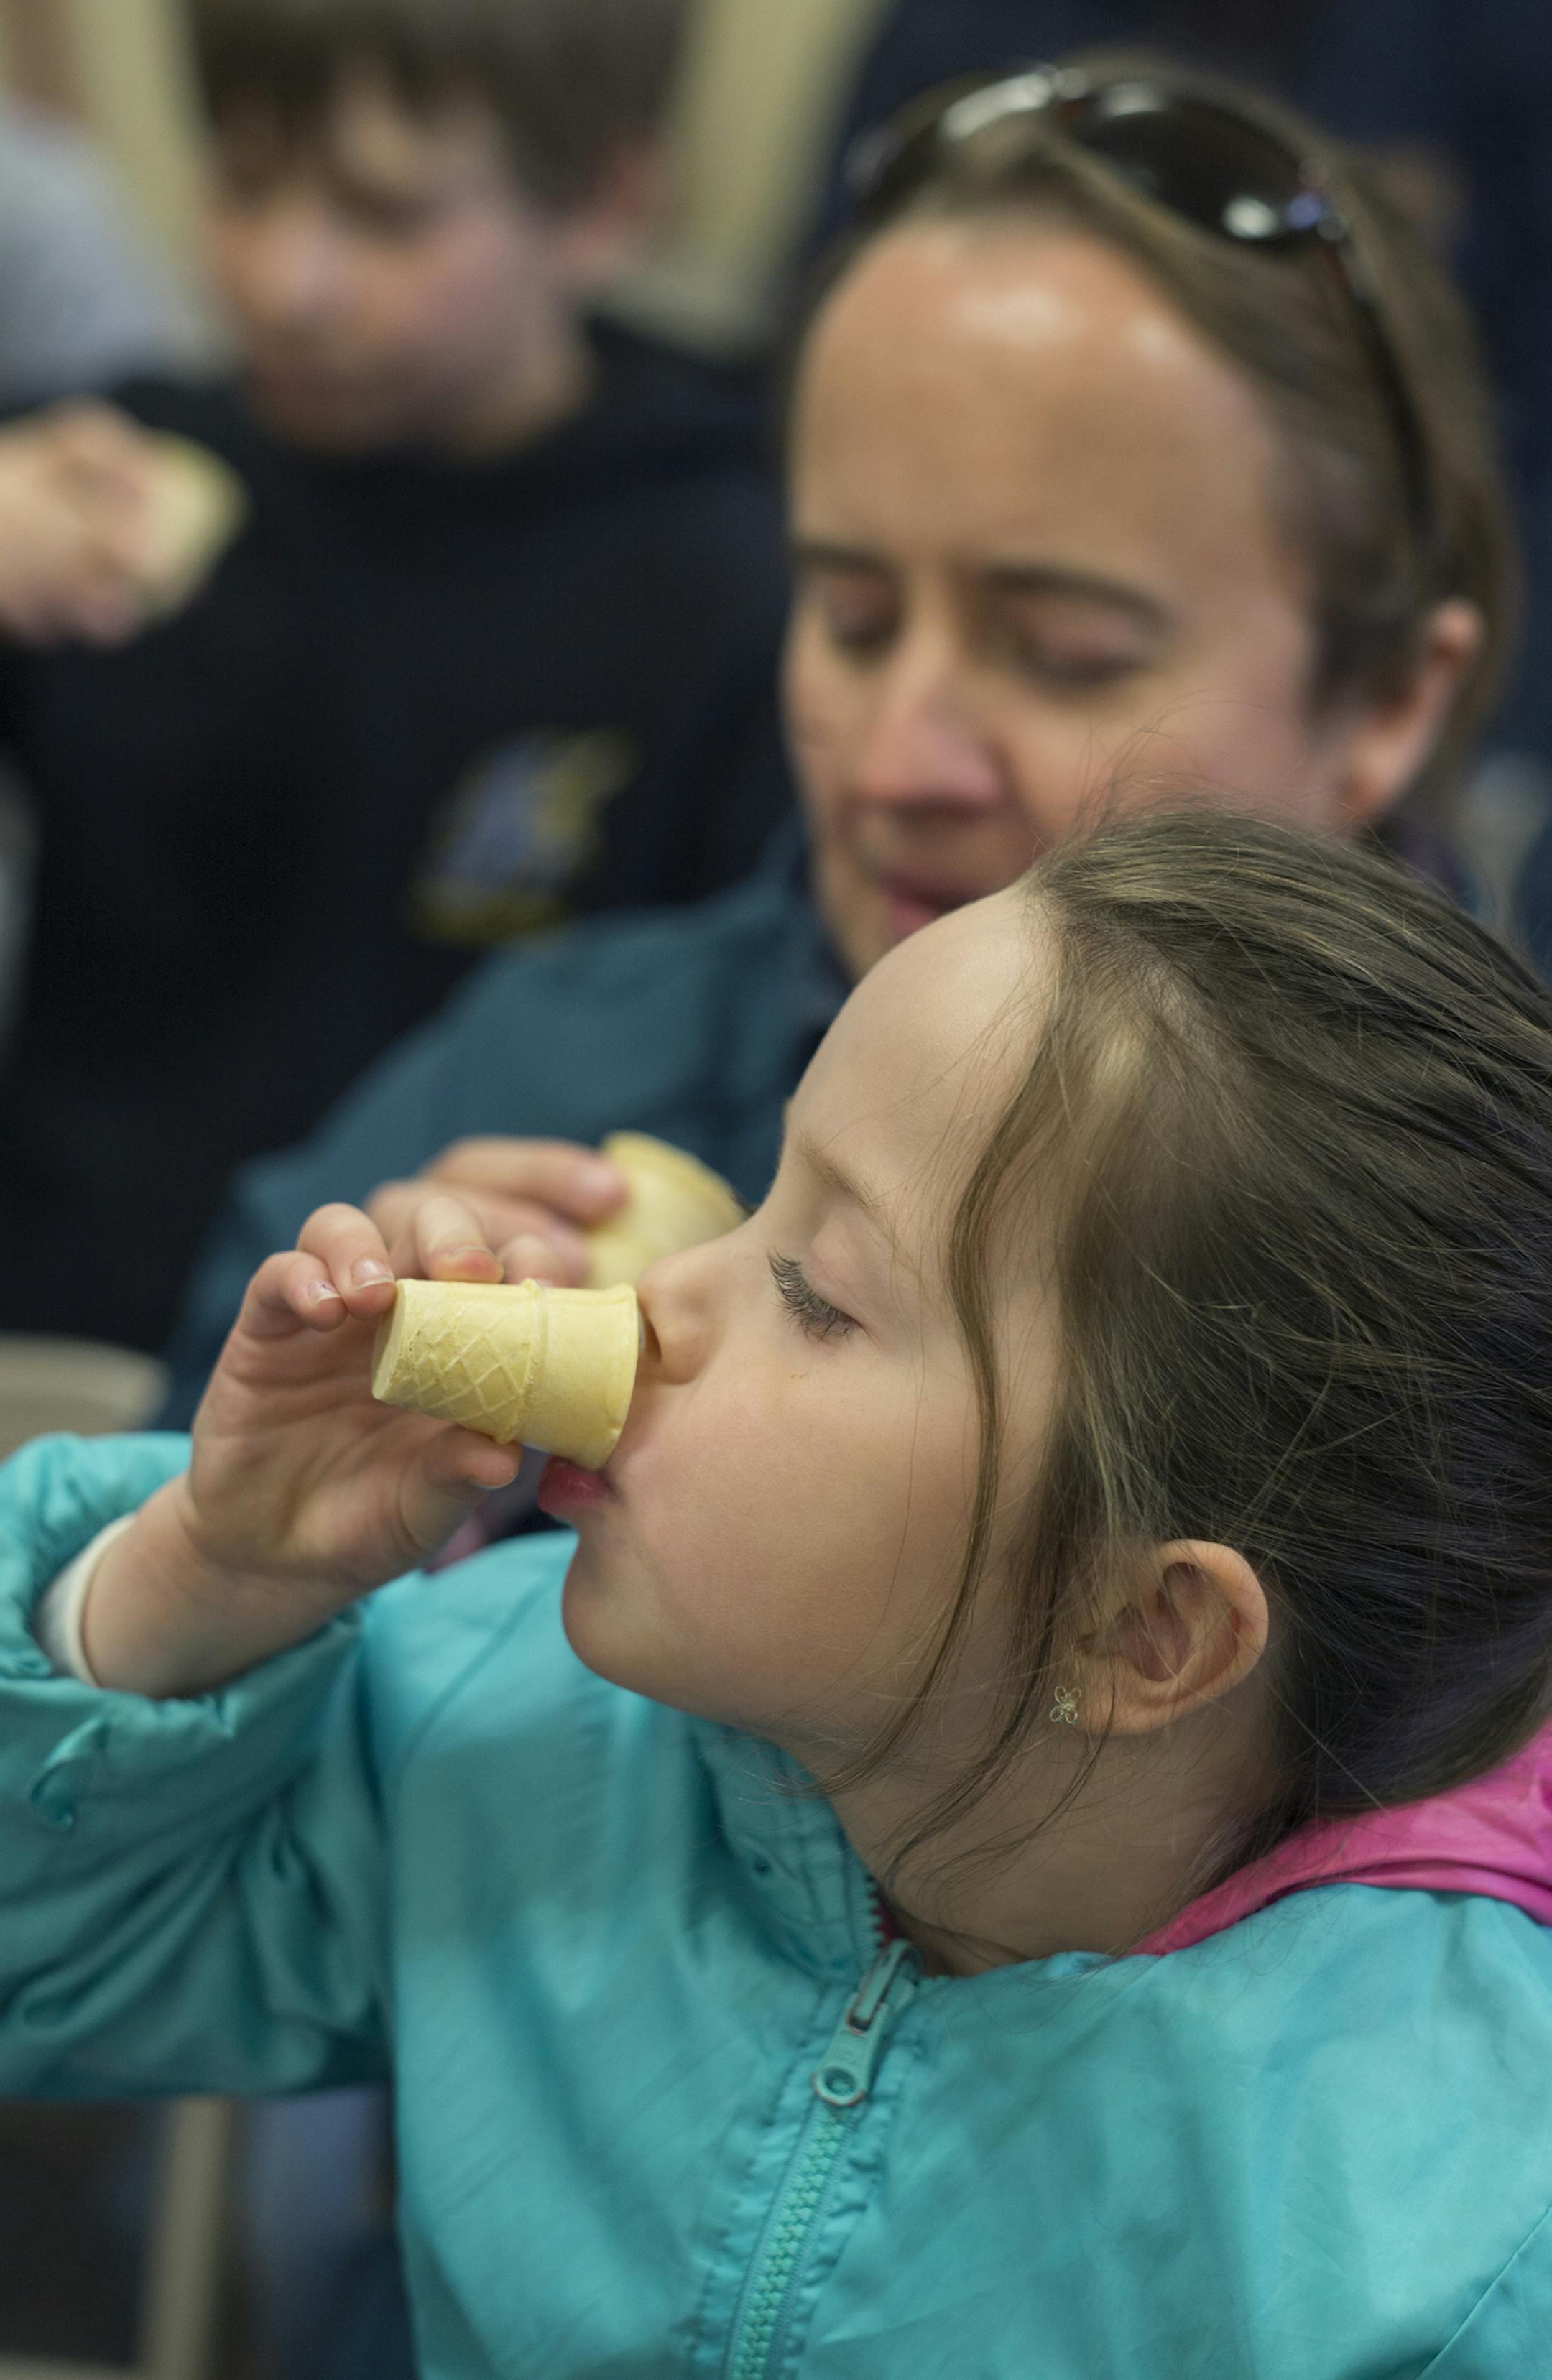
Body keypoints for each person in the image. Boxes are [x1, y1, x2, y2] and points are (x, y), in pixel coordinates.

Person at [7, 807, 1552, 2376]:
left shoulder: (1443, 2242)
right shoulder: (510, 1733)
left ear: (1138, 1625)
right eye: (758, 1202)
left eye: (812, 1291)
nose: (661, 1299)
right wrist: (209, 1573)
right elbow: (44, 1959)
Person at [162, 52, 1514, 1423]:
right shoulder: (565, 1086)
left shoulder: (1494, 1266)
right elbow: (121, 1563)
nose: (892, 766)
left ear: (1392, 698)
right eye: (855, 620)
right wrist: (339, 1476)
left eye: (1064, 656)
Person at [0, 0, 790, 1356]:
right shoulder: (99, 487)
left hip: (451, 1417)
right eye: (243, 185)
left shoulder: (738, 574)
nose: (283, 281)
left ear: (603, 201)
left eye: (385, 215)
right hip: (61, 1354)